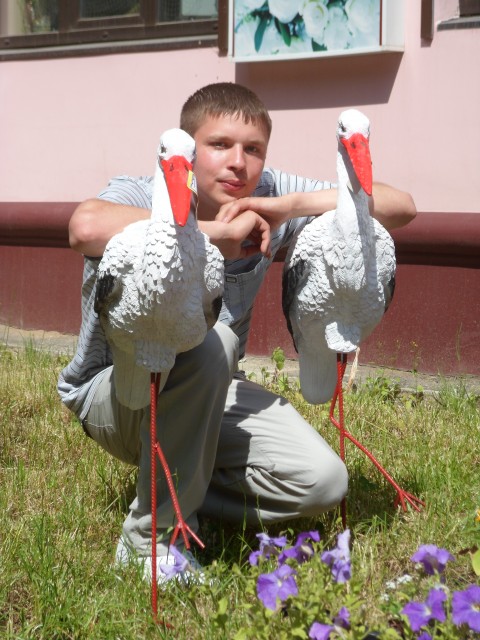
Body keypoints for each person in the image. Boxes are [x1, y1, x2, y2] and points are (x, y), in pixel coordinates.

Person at [58, 82, 416, 580]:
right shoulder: (144, 190)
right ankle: (148, 542)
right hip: (115, 393)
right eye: (219, 145)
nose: (237, 162)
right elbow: (84, 227)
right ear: (189, 145)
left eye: (253, 150)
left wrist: (284, 207)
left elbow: (402, 207)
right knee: (215, 341)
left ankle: (182, 492)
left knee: (323, 483)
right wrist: (212, 235)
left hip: (213, 388)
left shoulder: (263, 193)